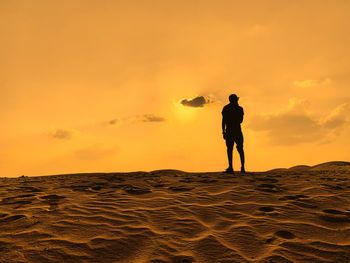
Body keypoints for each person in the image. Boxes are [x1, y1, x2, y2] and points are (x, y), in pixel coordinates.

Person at [222, 94, 245, 173]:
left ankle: (232, 167)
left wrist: (223, 131)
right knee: (239, 149)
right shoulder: (239, 109)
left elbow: (223, 121)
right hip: (236, 130)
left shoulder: (226, 108)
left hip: (230, 131)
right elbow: (240, 121)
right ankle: (242, 167)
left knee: (230, 149)